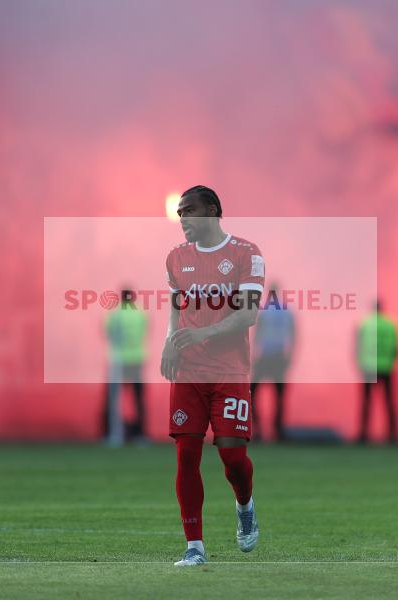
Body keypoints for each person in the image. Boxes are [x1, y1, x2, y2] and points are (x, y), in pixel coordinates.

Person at [161, 185, 264, 566]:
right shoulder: (175, 258)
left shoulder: (246, 254)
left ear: (213, 210)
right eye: (179, 212)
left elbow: (248, 314)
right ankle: (194, 546)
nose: (183, 218)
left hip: (229, 371)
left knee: (232, 457)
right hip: (188, 371)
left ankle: (245, 504)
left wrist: (204, 333)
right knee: (186, 455)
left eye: (189, 210)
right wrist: (170, 341)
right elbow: (176, 304)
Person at [249, 283, 295, 441]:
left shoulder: (263, 310)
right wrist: (290, 356)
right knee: (279, 395)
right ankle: (278, 431)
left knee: (252, 393)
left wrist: (254, 356)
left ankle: (258, 429)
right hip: (279, 355)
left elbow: (257, 334)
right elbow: (293, 334)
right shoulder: (286, 311)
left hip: (265, 355)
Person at [103, 289, 148, 445]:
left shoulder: (115, 314)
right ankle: (140, 434)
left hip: (119, 359)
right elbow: (145, 332)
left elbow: (109, 334)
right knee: (138, 398)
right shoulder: (141, 313)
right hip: (137, 358)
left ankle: (115, 434)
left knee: (114, 399)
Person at [356, 299, 398, 445]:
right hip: (386, 367)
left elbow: (358, 345)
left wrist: (359, 363)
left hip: (369, 367)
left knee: (367, 403)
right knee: (389, 402)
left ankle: (364, 434)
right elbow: (396, 348)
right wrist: (392, 362)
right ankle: (392, 434)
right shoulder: (391, 325)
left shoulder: (365, 324)